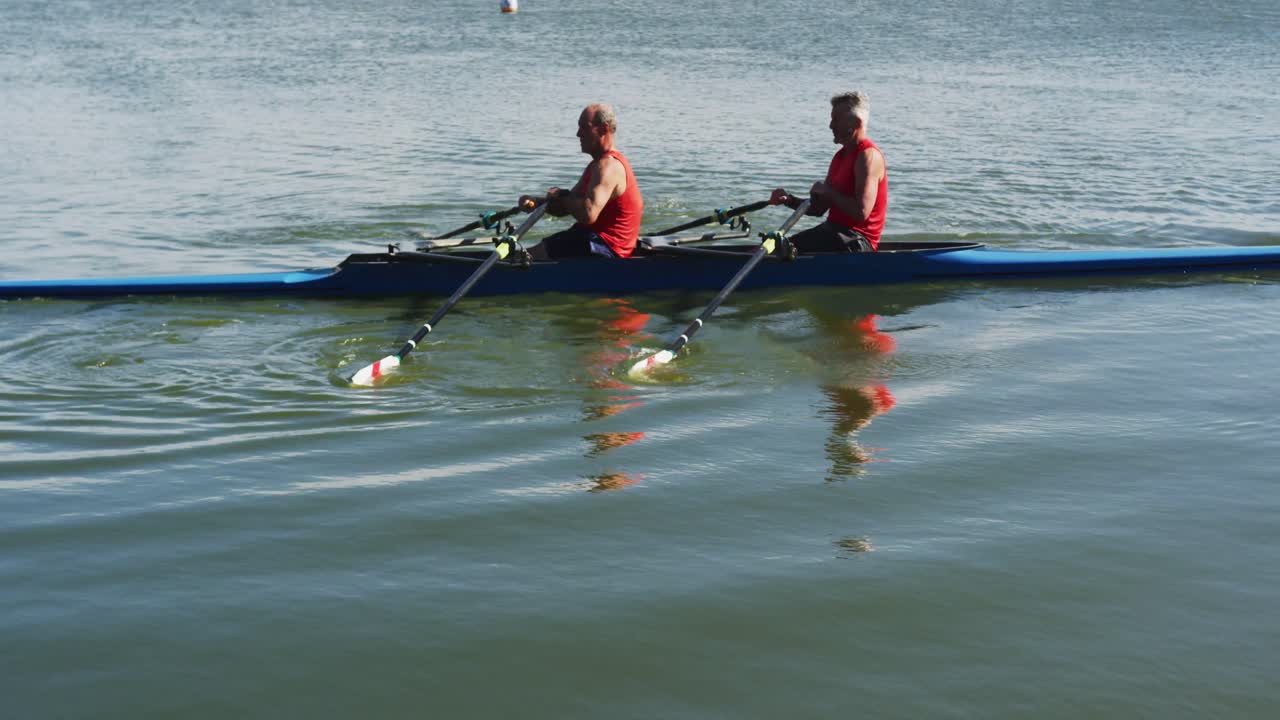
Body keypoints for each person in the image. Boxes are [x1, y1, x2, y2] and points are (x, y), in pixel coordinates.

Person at [519, 104, 644, 259]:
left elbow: (587, 213)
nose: (578, 134)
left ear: (603, 129)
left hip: (609, 249)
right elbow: (566, 207)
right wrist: (536, 202)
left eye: (584, 127)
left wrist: (562, 195)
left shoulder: (608, 166)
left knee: (528, 256)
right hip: (593, 240)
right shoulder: (596, 165)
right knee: (538, 249)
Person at [770, 91, 887, 252]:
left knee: (782, 251)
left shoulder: (868, 156)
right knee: (777, 247)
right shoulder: (840, 156)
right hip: (834, 232)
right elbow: (818, 209)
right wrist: (789, 200)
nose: (831, 126)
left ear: (856, 123)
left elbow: (861, 212)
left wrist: (828, 192)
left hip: (857, 240)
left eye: (836, 119)